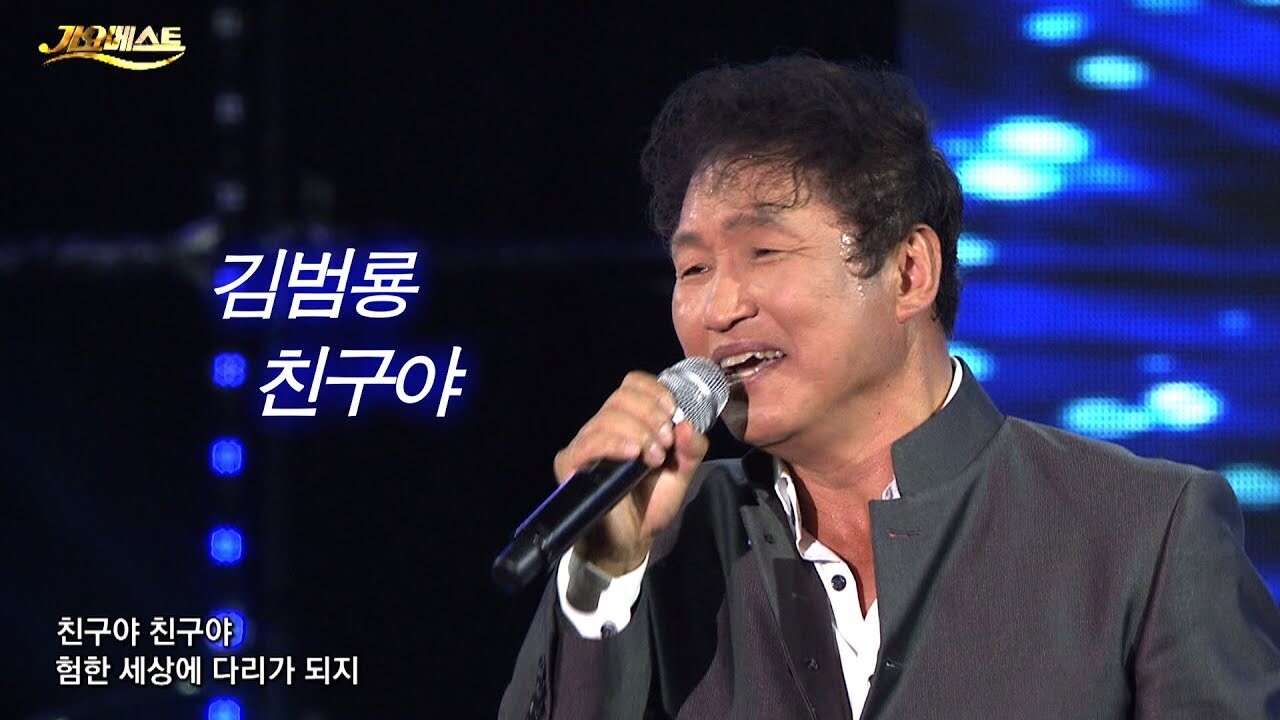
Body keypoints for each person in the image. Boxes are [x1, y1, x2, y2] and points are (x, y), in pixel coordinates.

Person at [499, 55, 1280, 719]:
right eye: (693, 266)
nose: (717, 307)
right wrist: (601, 577)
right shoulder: (657, 545)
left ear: (909, 272)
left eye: (764, 252)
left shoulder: (1144, 531)